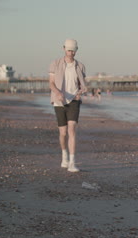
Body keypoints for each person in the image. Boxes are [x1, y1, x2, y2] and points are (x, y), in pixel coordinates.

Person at [49, 39, 88, 172]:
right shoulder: (55, 64)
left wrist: (80, 93)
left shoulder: (80, 66)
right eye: (69, 50)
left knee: (72, 130)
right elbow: (51, 83)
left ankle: (72, 162)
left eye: (73, 50)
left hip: (74, 101)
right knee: (63, 132)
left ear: (76, 50)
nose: (71, 53)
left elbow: (82, 84)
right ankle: (64, 155)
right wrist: (57, 93)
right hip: (59, 101)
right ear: (64, 49)